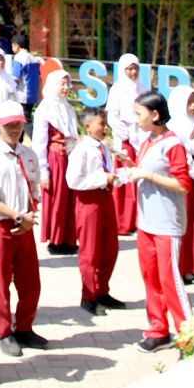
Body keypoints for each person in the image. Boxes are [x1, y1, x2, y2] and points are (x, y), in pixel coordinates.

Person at [0, 100, 45, 358]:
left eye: (18, 124)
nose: (14, 129)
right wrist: (17, 217)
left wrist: (29, 215)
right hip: (0, 225)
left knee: (30, 281)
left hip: (24, 223)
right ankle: (3, 331)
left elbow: (33, 186)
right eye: (9, 125)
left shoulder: (28, 154)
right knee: (0, 282)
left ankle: (25, 326)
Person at [130, 91, 192, 353]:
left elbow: (183, 184)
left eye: (139, 114)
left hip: (166, 223)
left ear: (155, 115)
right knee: (151, 279)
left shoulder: (172, 143)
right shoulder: (148, 141)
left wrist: (148, 175)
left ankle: (188, 336)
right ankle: (157, 329)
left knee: (170, 281)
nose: (136, 120)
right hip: (146, 222)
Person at [66, 110, 125, 317]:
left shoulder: (104, 148)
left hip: (105, 199)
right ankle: (88, 295)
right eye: (101, 124)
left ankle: (102, 290)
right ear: (88, 126)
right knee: (90, 250)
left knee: (109, 247)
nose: (105, 128)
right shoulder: (81, 150)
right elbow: (73, 181)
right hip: (89, 201)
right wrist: (102, 179)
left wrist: (116, 177)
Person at [167, 85, 194, 285]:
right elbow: (185, 159)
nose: (193, 106)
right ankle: (181, 268)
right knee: (184, 224)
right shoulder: (175, 128)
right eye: (189, 102)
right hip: (185, 181)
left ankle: (193, 267)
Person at [34, 69, 78, 255]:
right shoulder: (46, 108)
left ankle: (69, 238)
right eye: (62, 84)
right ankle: (56, 240)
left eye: (68, 84)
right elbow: (40, 141)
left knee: (70, 199)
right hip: (55, 159)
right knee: (57, 199)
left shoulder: (67, 107)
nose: (66, 88)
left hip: (68, 157)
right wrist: (43, 171)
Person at [105, 53, 144, 235]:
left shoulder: (142, 89)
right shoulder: (117, 90)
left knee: (138, 179)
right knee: (124, 179)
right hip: (125, 141)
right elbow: (113, 117)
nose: (132, 72)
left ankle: (137, 220)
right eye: (129, 68)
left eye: (135, 68)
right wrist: (127, 134)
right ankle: (122, 221)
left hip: (141, 139)